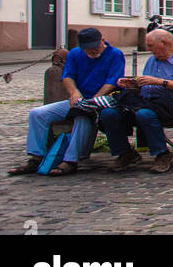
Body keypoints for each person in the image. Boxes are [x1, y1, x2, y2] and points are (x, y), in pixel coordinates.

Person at [9, 27, 125, 178]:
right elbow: (67, 76)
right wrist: (74, 93)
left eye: (94, 47)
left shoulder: (115, 54)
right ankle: (36, 157)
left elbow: (112, 82)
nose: (91, 51)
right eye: (87, 49)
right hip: (79, 100)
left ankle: (70, 160)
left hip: (101, 101)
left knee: (83, 115)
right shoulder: (75, 54)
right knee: (37, 114)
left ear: (102, 41)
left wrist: (94, 99)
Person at [98, 29, 173, 174]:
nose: (148, 49)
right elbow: (148, 84)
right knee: (108, 113)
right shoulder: (152, 60)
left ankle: (162, 154)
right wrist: (133, 84)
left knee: (144, 114)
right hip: (148, 102)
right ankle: (125, 153)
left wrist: (160, 82)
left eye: (151, 45)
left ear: (164, 43)